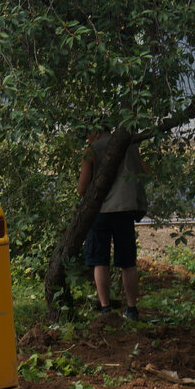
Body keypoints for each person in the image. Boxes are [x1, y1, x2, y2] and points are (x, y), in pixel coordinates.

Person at [77, 130, 147, 320]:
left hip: (100, 211)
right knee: (128, 262)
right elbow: (144, 171)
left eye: (88, 134)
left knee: (100, 261)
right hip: (125, 209)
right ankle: (132, 309)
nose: (87, 138)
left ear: (95, 132)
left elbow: (82, 189)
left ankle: (105, 308)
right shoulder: (130, 146)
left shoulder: (92, 150)